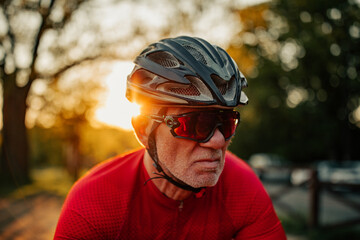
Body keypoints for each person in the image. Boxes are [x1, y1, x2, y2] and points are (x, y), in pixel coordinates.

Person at [54, 36, 286, 239]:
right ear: (144, 130)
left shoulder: (242, 188)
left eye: (226, 123)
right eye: (196, 124)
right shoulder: (92, 203)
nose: (218, 141)